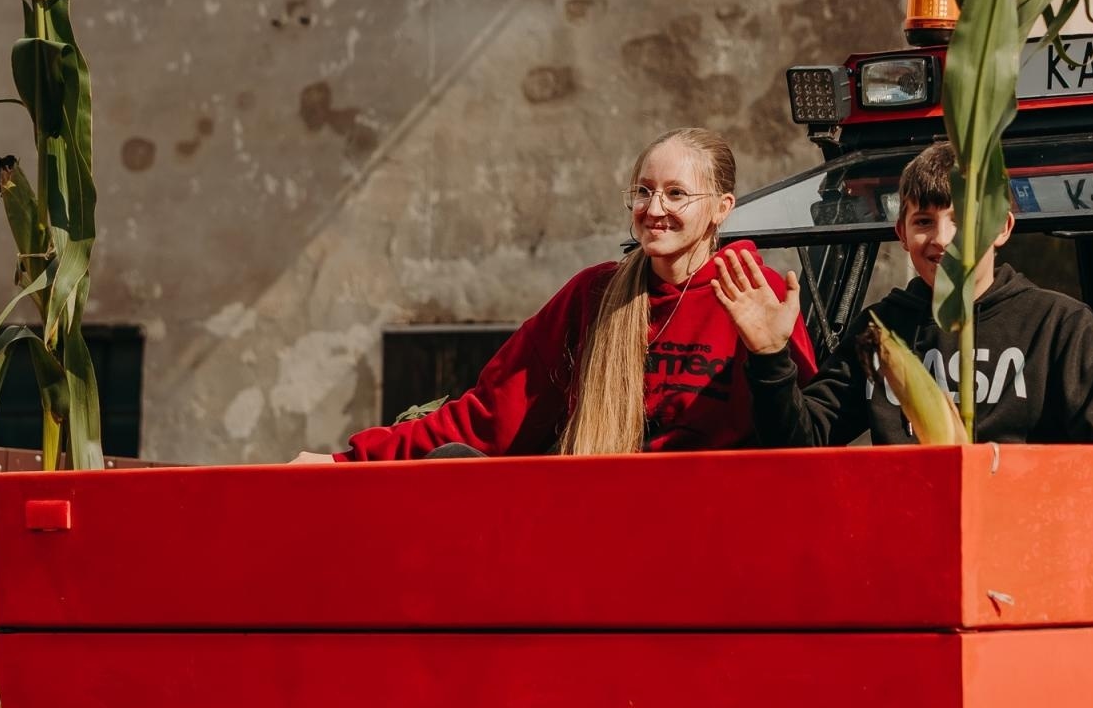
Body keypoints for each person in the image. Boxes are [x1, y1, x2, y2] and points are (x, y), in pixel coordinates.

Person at [291, 128, 817, 462]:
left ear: (722, 207)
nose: (654, 208)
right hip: (598, 526)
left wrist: (772, 357)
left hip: (716, 535)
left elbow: (801, 445)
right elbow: (491, 417)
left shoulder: (758, 296)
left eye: (676, 193)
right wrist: (347, 462)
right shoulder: (593, 295)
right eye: (643, 190)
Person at [711, 140, 1093, 446]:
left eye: (961, 220)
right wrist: (770, 355)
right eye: (924, 221)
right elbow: (802, 445)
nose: (942, 239)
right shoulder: (879, 331)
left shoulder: (1057, 326)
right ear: (901, 233)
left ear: (1002, 228)